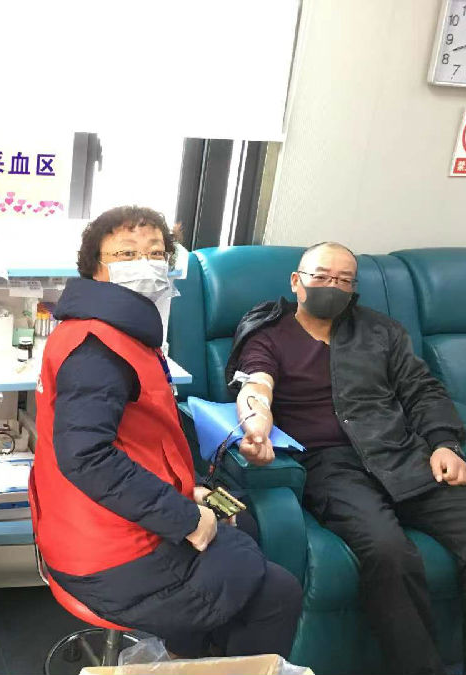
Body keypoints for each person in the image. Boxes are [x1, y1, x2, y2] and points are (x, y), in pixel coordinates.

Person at [30, 206, 302, 660]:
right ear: (96, 268)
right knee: (277, 593)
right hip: (106, 554)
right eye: (126, 253)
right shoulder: (99, 348)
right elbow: (87, 457)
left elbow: (138, 440)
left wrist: (185, 488)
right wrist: (185, 517)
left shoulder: (119, 332)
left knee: (243, 523)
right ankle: (193, 658)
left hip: (89, 526)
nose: (144, 263)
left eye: (155, 253)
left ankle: (184, 655)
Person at [226, 241, 466, 675]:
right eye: (322, 277)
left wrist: (444, 444)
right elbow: (255, 385)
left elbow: (422, 391)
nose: (332, 287)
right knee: (388, 552)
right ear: (297, 281)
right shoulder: (268, 333)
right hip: (331, 467)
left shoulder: (381, 332)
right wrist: (256, 424)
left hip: (402, 455)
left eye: (344, 280)